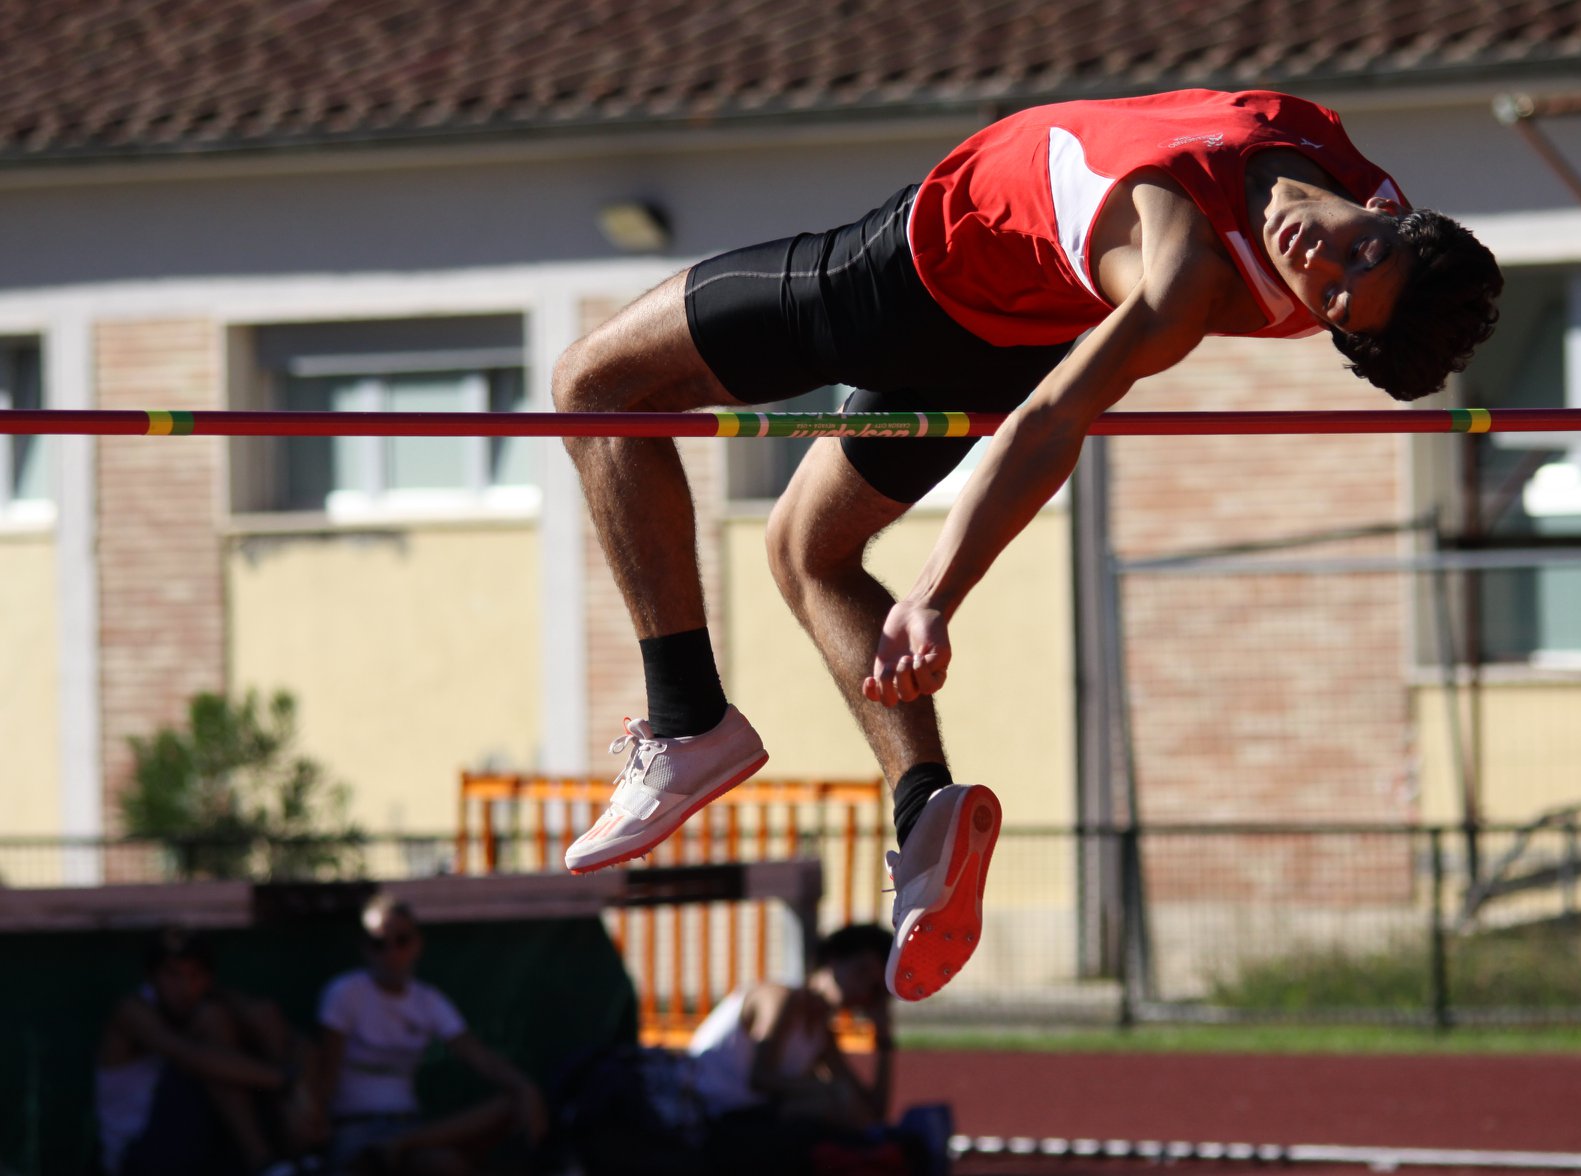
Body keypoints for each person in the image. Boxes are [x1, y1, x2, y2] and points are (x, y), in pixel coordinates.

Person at [553, 88, 1504, 1003]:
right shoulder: (1326, 145)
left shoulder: (1184, 281)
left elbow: (1052, 422)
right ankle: (926, 808)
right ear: (1392, 209)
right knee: (807, 551)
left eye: (1333, 301)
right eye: (1358, 254)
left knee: (593, 383)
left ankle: (685, 721)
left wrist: (935, 593)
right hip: (1004, 320)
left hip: (909, 278)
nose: (1319, 265)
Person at [311, 893, 547, 1175]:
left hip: (413, 1129)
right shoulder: (344, 994)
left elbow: (478, 1056)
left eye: (401, 940)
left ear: (417, 944)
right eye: (378, 943)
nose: (391, 953)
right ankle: (388, 1149)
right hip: (353, 1130)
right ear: (364, 948)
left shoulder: (429, 1001)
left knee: (450, 1161)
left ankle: (397, 1145)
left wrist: (524, 1087)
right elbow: (327, 1072)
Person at [685, 924, 933, 1176]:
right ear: (832, 961)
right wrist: (826, 1091)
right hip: (703, 1121)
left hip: (747, 1124)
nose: (863, 990)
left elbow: (872, 1113)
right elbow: (759, 1078)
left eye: (874, 987)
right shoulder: (778, 998)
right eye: (861, 971)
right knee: (827, 1110)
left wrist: (883, 1039)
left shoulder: (821, 1034)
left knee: (838, 1113)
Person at [94, 926, 318, 1176]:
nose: (184, 986)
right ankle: (264, 1161)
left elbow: (271, 1019)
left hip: (202, 1145)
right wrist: (285, 1079)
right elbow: (190, 1057)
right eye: (172, 975)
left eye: (195, 975)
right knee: (214, 1033)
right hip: (139, 1155)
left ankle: (295, 1155)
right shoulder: (132, 1011)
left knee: (239, 1022)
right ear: (152, 977)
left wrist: (300, 1095)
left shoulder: (213, 1002)